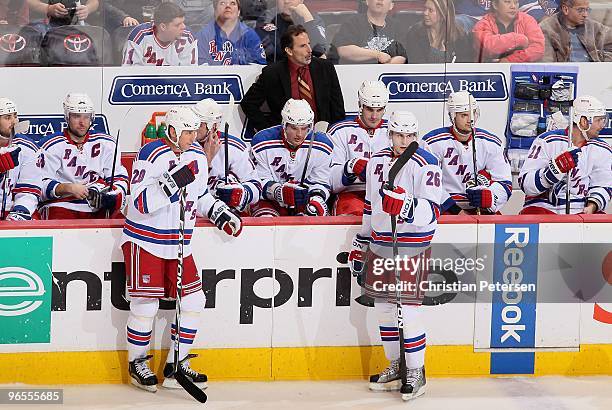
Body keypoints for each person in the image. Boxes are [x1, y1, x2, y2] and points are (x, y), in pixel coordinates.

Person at [120, 106, 242, 392]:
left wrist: (219, 212)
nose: (192, 137)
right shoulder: (150, 154)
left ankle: (177, 363)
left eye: (193, 131)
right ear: (172, 131)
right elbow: (138, 204)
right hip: (145, 241)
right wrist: (172, 182)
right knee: (145, 305)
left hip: (179, 244)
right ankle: (137, 363)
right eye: (187, 132)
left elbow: (199, 196)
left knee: (194, 301)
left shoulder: (198, 156)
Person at [348, 110, 442, 401]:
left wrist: (405, 205)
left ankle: (417, 371)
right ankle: (397, 365)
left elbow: (433, 212)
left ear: (417, 135)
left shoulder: (428, 163)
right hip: (381, 242)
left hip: (412, 243)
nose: (404, 141)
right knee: (384, 309)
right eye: (400, 135)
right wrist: (362, 242)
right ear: (390, 134)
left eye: (410, 135)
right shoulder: (376, 160)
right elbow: (369, 206)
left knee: (408, 310)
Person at [38, 92, 128, 219]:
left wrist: (113, 195)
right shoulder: (50, 146)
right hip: (61, 205)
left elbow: (120, 179)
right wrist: (67, 188)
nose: (82, 122)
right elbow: (37, 187)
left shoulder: (107, 143)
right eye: (76, 116)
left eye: (86, 117)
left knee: (122, 222)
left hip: (98, 206)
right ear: (67, 117)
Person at [420, 91, 512, 215]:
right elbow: (426, 184)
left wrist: (491, 197)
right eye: (464, 115)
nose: (470, 119)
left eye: (473, 113)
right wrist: (453, 209)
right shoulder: (432, 143)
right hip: (445, 208)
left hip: (480, 208)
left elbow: (504, 181)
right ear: (453, 116)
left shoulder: (491, 143)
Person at [240, 24, 345, 133]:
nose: (309, 50)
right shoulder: (272, 73)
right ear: (289, 51)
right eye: (302, 46)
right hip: (286, 141)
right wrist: (269, 130)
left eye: (309, 44)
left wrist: (335, 134)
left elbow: (338, 108)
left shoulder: (325, 67)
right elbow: (248, 103)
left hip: (321, 136)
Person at [519, 95, 611, 214]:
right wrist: (553, 171)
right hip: (543, 210)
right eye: (598, 120)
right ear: (583, 121)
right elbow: (526, 184)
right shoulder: (547, 141)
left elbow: (603, 185)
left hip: (580, 212)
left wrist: (592, 206)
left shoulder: (602, 149)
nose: (602, 125)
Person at [250, 98, 332, 217]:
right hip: (269, 201)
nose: (299, 134)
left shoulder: (322, 145)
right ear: (284, 125)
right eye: (294, 128)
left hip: (303, 199)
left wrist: (317, 199)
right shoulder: (262, 142)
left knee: (314, 216)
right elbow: (257, 182)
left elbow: (320, 181)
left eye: (304, 128)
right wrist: (278, 192)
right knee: (265, 219)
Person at [329, 80, 390, 216]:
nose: (374, 116)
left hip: (384, 194)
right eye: (369, 109)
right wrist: (349, 168)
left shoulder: (394, 131)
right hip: (351, 194)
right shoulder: (339, 131)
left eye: (379, 110)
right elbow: (330, 181)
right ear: (360, 105)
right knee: (354, 217)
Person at [192, 98, 261, 213]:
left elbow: (256, 187)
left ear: (213, 126)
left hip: (228, 214)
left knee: (230, 180)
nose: (193, 127)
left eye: (199, 124)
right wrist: (206, 159)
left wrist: (242, 194)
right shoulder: (185, 144)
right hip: (196, 210)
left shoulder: (235, 147)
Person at [0, 97, 41, 221]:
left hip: (11, 210)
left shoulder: (27, 147)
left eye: (15, 116)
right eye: (7, 117)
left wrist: (21, 210)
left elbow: (30, 188)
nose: (14, 121)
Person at [122, 2, 198, 66]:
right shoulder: (139, 36)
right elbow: (129, 74)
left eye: (183, 22)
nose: (183, 27)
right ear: (163, 27)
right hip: (145, 83)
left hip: (177, 83)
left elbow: (189, 74)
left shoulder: (188, 37)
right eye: (178, 25)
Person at [332, 0, 406, 64]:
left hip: (386, 74)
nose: (380, 0)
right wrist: (377, 55)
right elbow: (344, 51)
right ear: (367, 1)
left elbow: (402, 55)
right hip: (356, 73)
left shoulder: (397, 26)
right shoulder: (353, 22)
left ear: (391, 6)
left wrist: (386, 67)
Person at [195, 0, 266, 65]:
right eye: (222, 3)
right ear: (215, 11)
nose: (228, 6)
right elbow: (201, 67)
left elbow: (259, 66)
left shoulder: (249, 34)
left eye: (233, 3)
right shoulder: (204, 35)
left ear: (238, 12)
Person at [539, 0, 612, 62]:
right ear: (565, 9)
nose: (585, 15)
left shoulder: (593, 26)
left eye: (587, 10)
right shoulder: (546, 29)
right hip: (566, 74)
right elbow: (547, 63)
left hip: (594, 71)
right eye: (580, 10)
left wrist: (602, 58)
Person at [473, 0, 545, 63]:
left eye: (516, 2)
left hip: (520, 70)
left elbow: (538, 49)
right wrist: (516, 39)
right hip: (489, 72)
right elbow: (488, 46)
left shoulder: (528, 20)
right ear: (495, 5)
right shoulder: (483, 24)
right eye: (507, 2)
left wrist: (510, 60)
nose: (513, 6)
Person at [255, 0, 327, 62]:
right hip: (277, 70)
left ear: (301, 0)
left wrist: (308, 20)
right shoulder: (267, 17)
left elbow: (320, 51)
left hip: (306, 70)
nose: (286, 1)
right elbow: (274, 52)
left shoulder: (310, 17)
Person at [403, 0, 474, 63]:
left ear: (442, 13)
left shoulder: (459, 35)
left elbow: (464, 65)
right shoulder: (415, 33)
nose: (425, 13)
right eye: (425, 9)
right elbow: (416, 64)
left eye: (430, 10)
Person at [27, 0, 98, 31]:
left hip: (77, 24)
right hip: (44, 24)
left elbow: (94, 1)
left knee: (92, 37)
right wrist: (48, 9)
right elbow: (29, 1)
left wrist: (87, 9)